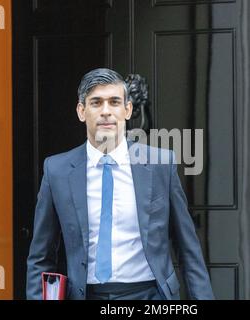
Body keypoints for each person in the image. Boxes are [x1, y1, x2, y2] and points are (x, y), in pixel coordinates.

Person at [26, 68, 214, 300]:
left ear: (127, 110)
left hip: (150, 295)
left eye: (114, 102)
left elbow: (188, 249)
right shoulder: (56, 171)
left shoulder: (160, 164)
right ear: (81, 111)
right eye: (96, 103)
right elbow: (41, 256)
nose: (106, 111)